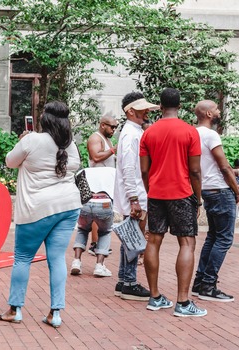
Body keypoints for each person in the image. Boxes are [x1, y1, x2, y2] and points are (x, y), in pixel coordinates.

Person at [0, 101, 81, 329]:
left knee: (23, 258)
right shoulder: (69, 143)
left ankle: (15, 309)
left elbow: (10, 161)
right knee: (56, 258)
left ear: (44, 120)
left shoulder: (32, 140)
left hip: (36, 209)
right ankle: (55, 313)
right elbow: (75, 164)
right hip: (68, 206)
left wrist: (23, 141)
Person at [140, 88, 205, 317]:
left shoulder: (148, 133)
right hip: (182, 193)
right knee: (187, 243)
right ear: (180, 105)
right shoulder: (190, 132)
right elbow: (195, 171)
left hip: (156, 193)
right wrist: (197, 200)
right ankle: (183, 302)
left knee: (154, 241)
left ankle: (155, 297)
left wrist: (151, 191)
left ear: (160, 105)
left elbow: (145, 170)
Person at [192, 100, 239, 302]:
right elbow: (223, 167)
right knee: (224, 239)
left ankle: (199, 283)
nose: (218, 111)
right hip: (221, 192)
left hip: (207, 190)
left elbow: (205, 168)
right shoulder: (211, 135)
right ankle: (208, 285)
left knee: (213, 237)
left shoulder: (192, 134)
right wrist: (238, 194)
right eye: (216, 108)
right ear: (208, 113)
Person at [113, 91, 156, 301]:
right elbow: (129, 167)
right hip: (136, 193)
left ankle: (124, 280)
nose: (146, 111)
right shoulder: (132, 134)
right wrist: (134, 198)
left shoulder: (132, 131)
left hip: (135, 193)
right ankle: (129, 281)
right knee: (134, 238)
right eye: (142, 108)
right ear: (130, 112)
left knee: (130, 237)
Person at [70, 166, 116, 277]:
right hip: (104, 202)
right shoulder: (113, 171)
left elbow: (75, 187)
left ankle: (76, 261)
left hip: (86, 203)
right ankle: (99, 266)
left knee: (82, 229)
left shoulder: (84, 170)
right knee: (105, 232)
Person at [85, 115, 118, 256]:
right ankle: (94, 244)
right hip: (97, 182)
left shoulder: (107, 140)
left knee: (104, 212)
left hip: (106, 182)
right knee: (97, 212)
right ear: (103, 125)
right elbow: (96, 157)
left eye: (116, 127)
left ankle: (99, 243)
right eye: (112, 127)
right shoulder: (95, 138)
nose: (114, 130)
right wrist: (114, 150)